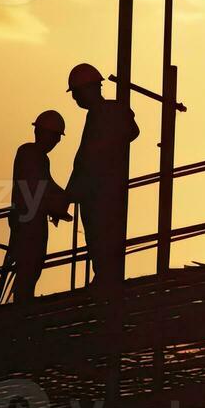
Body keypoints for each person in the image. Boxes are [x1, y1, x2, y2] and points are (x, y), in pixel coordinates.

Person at [62, 62, 139, 288]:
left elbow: (87, 158)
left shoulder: (102, 114)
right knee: (104, 234)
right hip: (106, 187)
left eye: (76, 94)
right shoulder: (109, 111)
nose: (75, 99)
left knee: (99, 234)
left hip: (99, 190)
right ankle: (106, 276)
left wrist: (70, 194)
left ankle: (105, 277)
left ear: (87, 89)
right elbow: (132, 132)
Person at [7, 110, 71, 302]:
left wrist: (63, 198)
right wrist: (66, 197)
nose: (56, 142)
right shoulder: (30, 153)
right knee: (29, 264)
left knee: (33, 266)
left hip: (31, 219)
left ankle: (23, 302)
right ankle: (22, 305)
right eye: (55, 137)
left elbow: (45, 184)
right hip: (28, 221)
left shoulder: (36, 156)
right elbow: (40, 186)